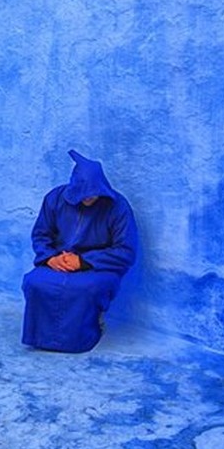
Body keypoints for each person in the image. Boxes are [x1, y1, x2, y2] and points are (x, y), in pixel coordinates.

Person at [21, 150, 138, 353]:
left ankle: (84, 337)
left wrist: (84, 261)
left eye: (93, 194)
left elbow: (125, 251)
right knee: (34, 282)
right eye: (83, 194)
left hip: (99, 267)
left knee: (83, 289)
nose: (89, 198)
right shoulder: (55, 198)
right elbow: (41, 235)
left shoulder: (118, 207)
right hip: (59, 262)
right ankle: (41, 338)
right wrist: (50, 258)